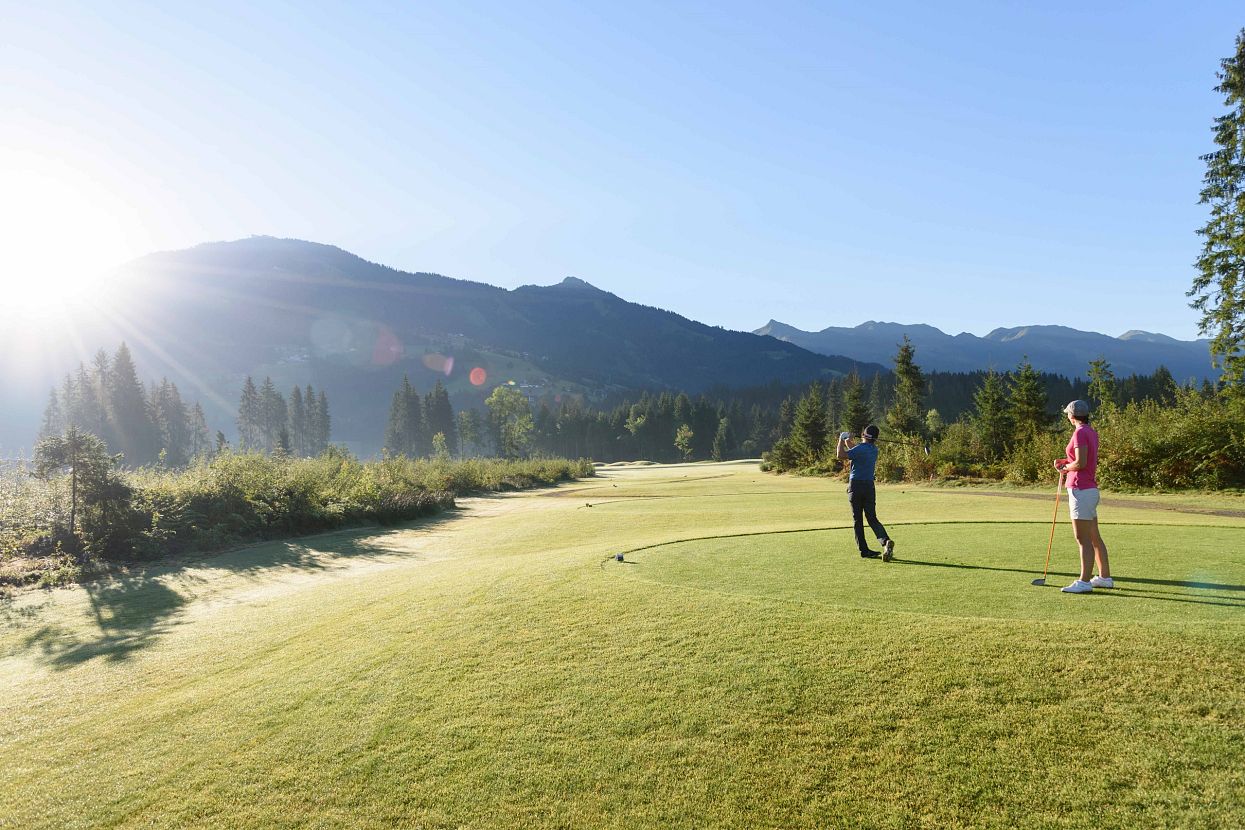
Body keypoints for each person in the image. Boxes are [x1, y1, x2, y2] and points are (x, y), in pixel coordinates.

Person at [1053, 400, 1112, 593]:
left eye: (1067, 414)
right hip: (1088, 489)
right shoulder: (1090, 431)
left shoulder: (1079, 433)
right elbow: (1079, 460)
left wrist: (1064, 467)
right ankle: (1104, 577)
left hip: (1081, 489)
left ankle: (1084, 581)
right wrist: (1067, 462)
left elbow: (1080, 463)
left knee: (1082, 538)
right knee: (1094, 536)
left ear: (1071, 415)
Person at [836, 424, 894, 561]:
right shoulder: (873, 450)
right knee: (872, 517)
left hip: (856, 486)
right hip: (869, 487)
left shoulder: (860, 449)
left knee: (858, 520)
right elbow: (854, 450)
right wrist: (847, 440)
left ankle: (864, 550)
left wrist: (840, 439)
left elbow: (840, 455)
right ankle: (885, 542)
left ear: (864, 435)